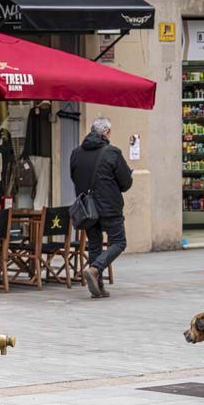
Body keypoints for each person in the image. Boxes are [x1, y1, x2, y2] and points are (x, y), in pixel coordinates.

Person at [70, 116, 132, 299]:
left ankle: (98, 288)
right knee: (119, 241)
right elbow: (125, 183)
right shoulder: (112, 153)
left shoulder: (76, 153)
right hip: (109, 207)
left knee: (94, 245)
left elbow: (74, 177)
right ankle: (95, 269)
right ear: (106, 132)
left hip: (87, 208)